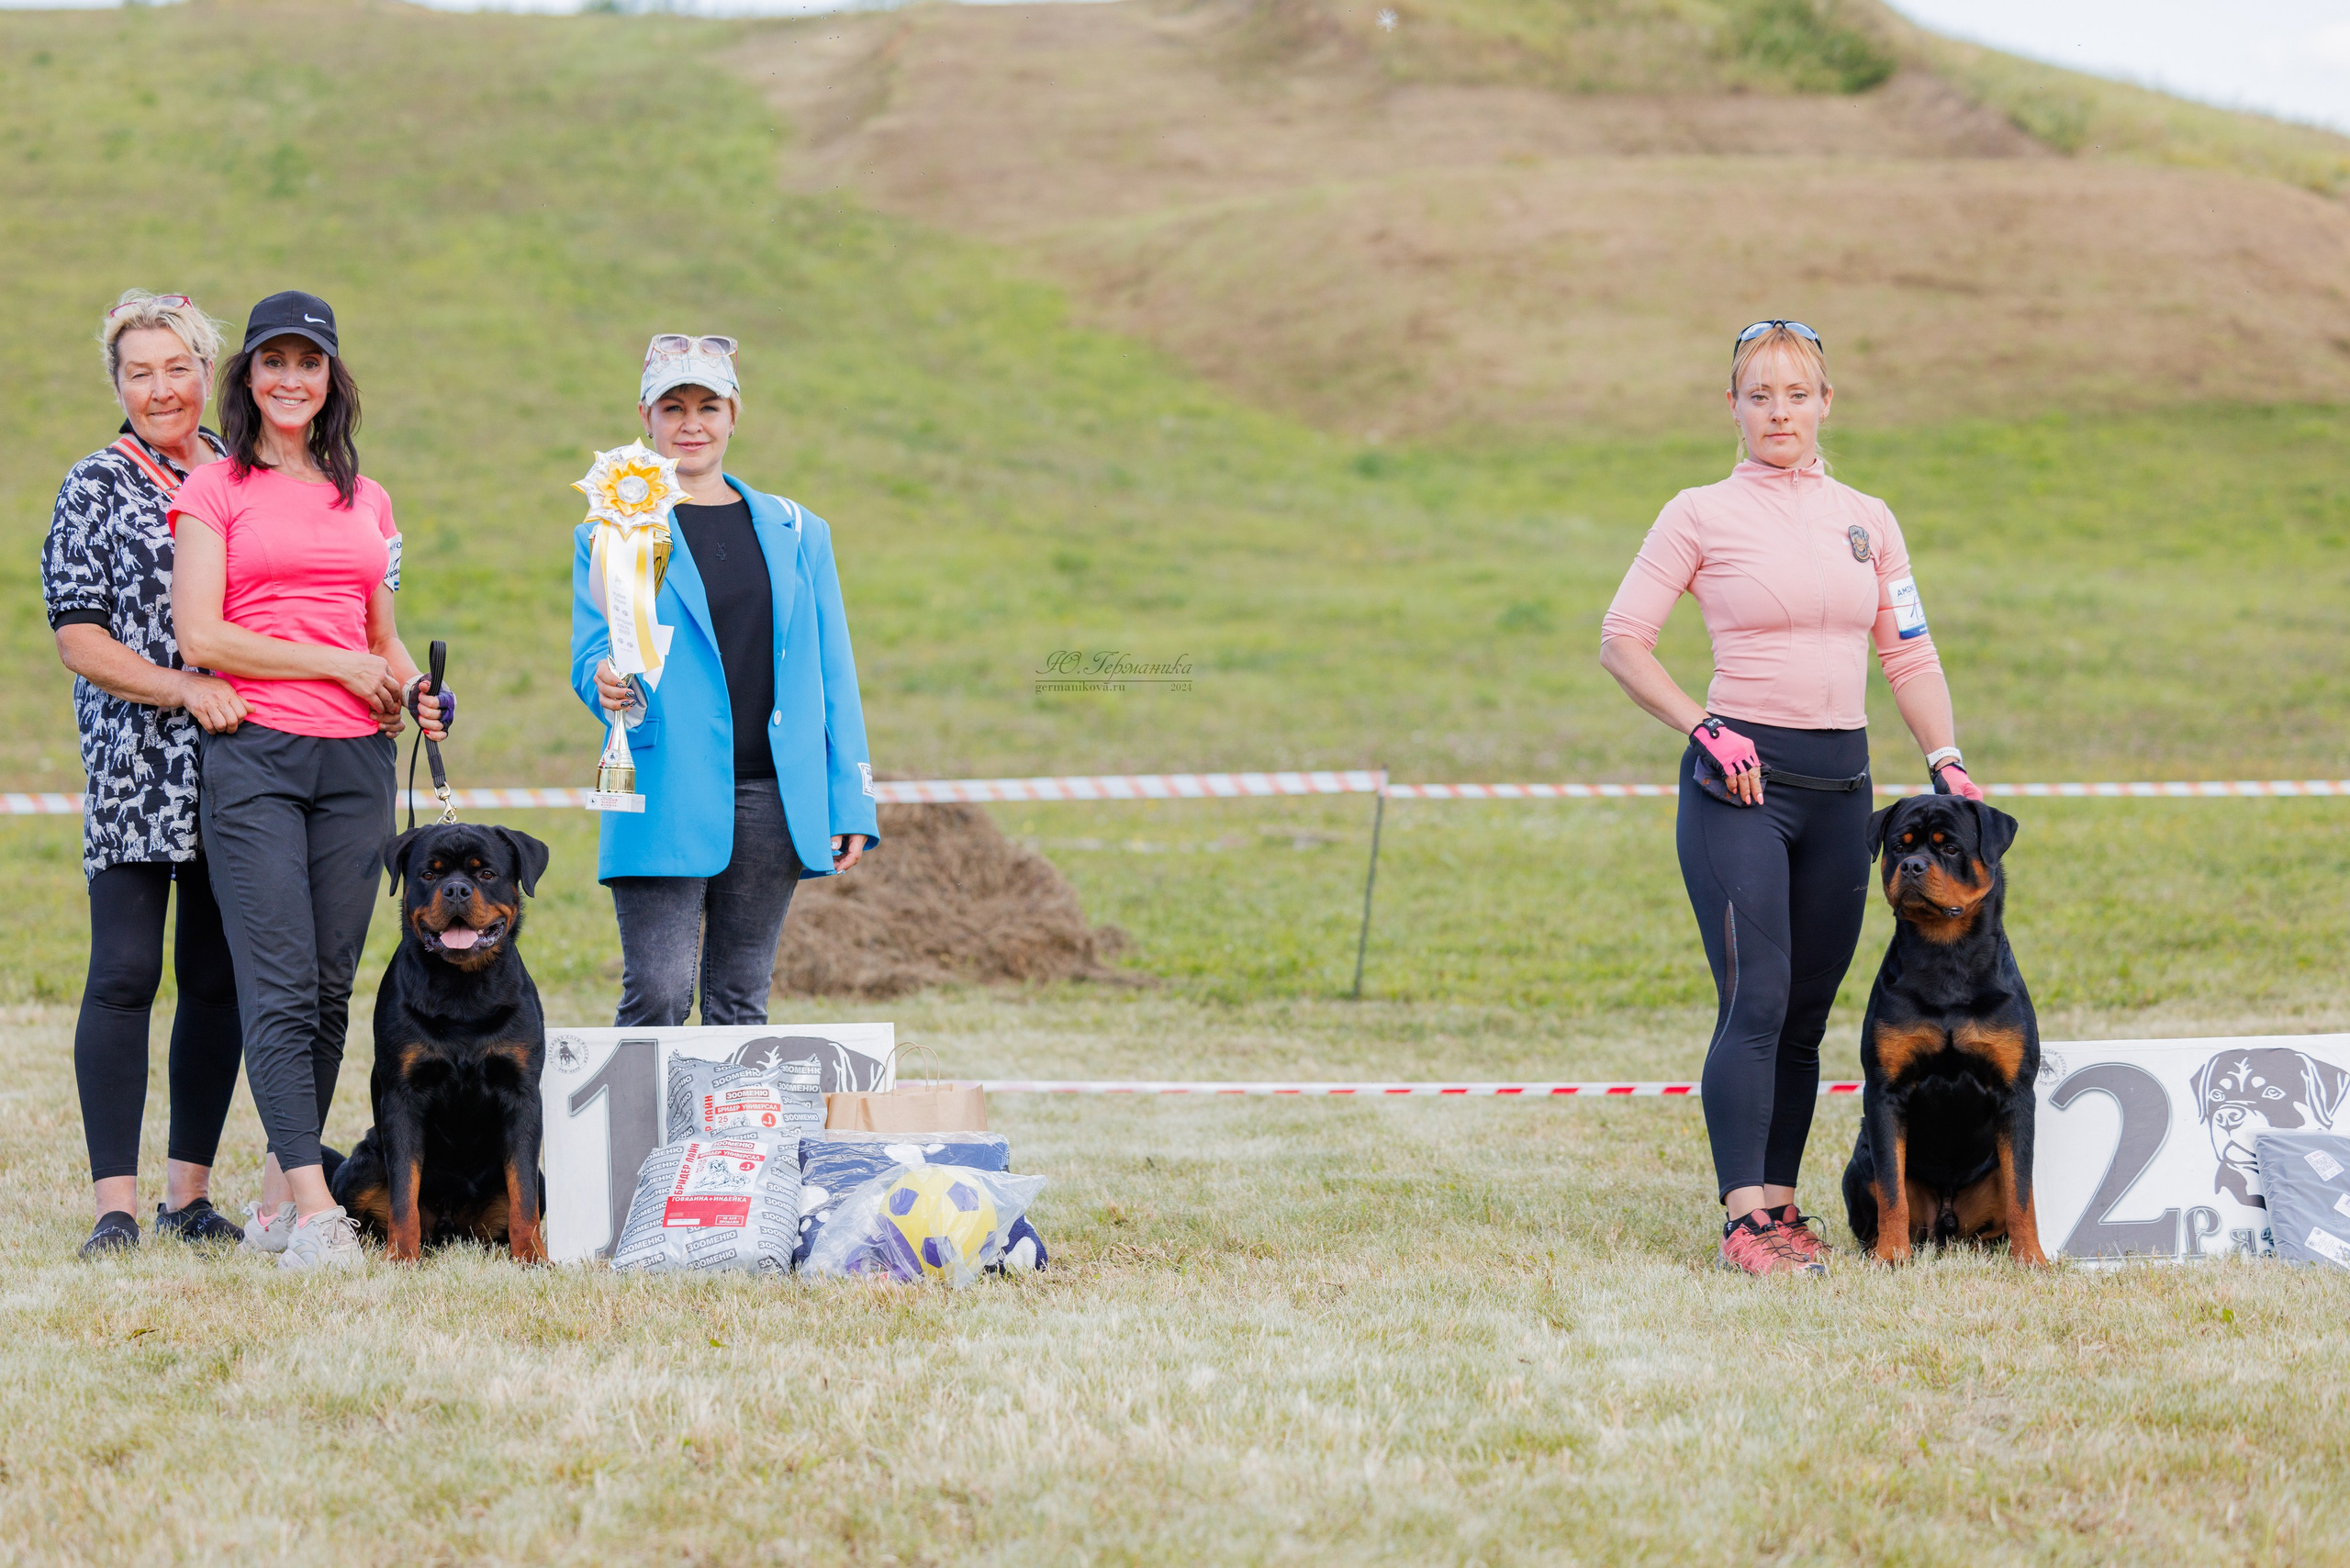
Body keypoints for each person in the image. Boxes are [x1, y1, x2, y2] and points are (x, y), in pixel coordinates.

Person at [1598, 319, 1988, 1278]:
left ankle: (1783, 1206)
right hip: (1741, 785)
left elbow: (1906, 651)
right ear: (1731, 407)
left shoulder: (1870, 517)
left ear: (1825, 403)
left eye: (1796, 394)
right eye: (1759, 395)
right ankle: (1745, 1220)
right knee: (1758, 998)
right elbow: (1622, 639)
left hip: (1839, 791)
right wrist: (1704, 726)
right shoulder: (1696, 513)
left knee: (1809, 1013)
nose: (1779, 411)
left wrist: (1944, 756)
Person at [168, 291, 452, 1271]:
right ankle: (318, 1209)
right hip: (255, 752)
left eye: (311, 363)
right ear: (247, 377)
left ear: (332, 380)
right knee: (279, 983)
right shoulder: (215, 488)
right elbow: (200, 636)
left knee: (331, 987)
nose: (292, 378)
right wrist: (335, 667)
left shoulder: (363, 497)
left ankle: (279, 1205)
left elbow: (378, 636)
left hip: (357, 761)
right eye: (273, 361)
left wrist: (415, 687)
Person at [569, 333, 878, 1027]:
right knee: (659, 991)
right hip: (662, 785)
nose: (691, 423)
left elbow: (835, 671)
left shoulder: (800, 530)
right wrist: (603, 681)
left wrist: (851, 797)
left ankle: (733, 1141)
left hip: (773, 794)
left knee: (740, 1000)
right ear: (644, 417)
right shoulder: (613, 526)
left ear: (735, 414)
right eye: (672, 407)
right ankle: (642, 1141)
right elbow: (590, 652)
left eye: (708, 405)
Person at [42, 290, 250, 1257]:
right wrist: (179, 688)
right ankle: (114, 1208)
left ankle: (189, 1194)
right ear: (117, 384)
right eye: (140, 371)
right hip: (136, 767)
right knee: (124, 975)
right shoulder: (92, 485)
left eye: (177, 367)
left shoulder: (248, 477)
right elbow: (79, 638)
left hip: (245, 762)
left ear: (207, 372)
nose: (161, 388)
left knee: (216, 979)